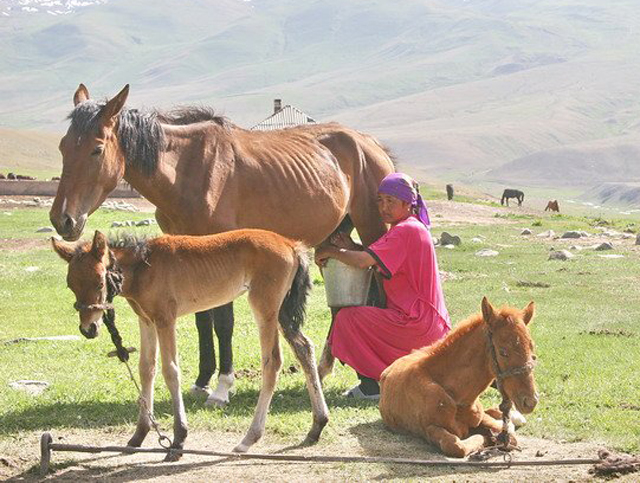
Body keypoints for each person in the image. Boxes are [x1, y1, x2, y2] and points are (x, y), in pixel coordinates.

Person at [315, 173, 451, 400]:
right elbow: (374, 257)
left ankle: (372, 387)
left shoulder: (405, 230)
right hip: (426, 322)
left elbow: (363, 262)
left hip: (414, 322)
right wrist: (352, 246)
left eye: (391, 201)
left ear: (407, 204)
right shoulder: (410, 227)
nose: (383, 207)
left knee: (347, 320)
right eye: (380, 200)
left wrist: (330, 251)